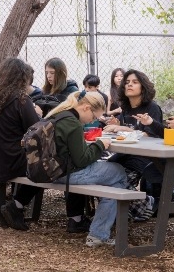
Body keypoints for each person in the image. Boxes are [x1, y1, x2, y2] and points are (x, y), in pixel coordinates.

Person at [0, 58, 88, 233]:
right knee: (65, 161)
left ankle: (17, 205)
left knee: (40, 162)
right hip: (11, 161)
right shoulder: (20, 100)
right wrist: (39, 114)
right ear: (21, 79)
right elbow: (38, 133)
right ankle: (75, 218)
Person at [46, 90, 129, 247]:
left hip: (50, 171)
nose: (92, 121)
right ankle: (98, 234)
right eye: (94, 117)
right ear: (86, 108)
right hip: (66, 174)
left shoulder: (58, 114)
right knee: (119, 172)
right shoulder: (73, 123)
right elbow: (82, 160)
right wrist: (100, 145)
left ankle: (99, 234)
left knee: (115, 184)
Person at [103, 69, 164, 213]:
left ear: (143, 87)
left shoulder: (152, 108)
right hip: (125, 154)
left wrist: (123, 129)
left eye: (135, 82)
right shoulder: (126, 108)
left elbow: (151, 136)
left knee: (120, 185)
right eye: (127, 82)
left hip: (145, 157)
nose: (129, 85)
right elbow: (127, 132)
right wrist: (117, 127)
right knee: (104, 177)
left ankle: (151, 204)